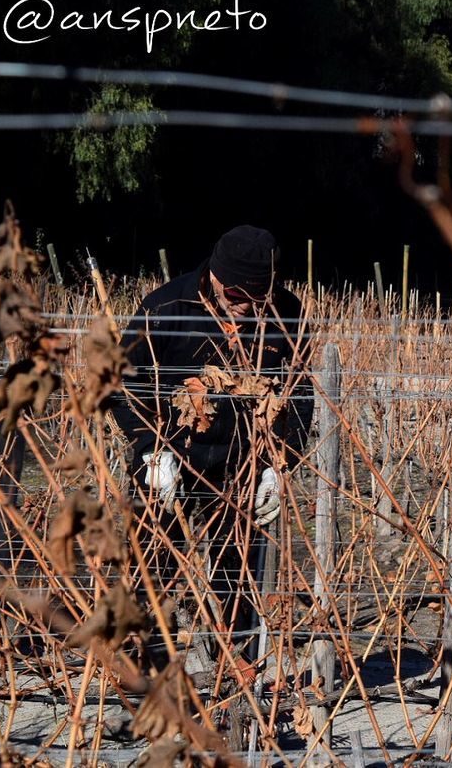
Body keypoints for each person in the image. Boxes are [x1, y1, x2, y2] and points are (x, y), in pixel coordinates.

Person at [112, 225, 311, 671]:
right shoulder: (167, 306)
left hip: (242, 465)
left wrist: (280, 465)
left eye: (257, 302)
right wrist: (149, 448)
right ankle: (140, 671)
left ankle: (234, 674)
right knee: (152, 570)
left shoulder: (286, 313)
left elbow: (299, 395)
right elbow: (120, 383)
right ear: (218, 279)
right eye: (238, 299)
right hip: (170, 461)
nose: (245, 312)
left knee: (236, 576)